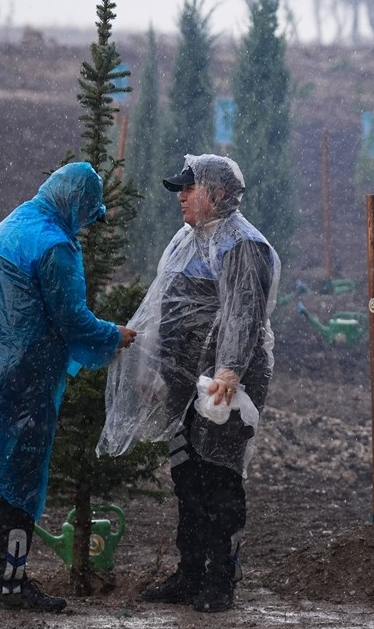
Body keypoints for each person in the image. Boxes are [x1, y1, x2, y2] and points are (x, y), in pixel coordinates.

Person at [0, 161, 136, 613]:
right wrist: (112, 335)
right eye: (87, 213)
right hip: (25, 379)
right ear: (75, 202)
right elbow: (72, 318)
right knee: (19, 482)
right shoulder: (55, 246)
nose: (86, 225)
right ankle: (13, 582)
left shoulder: (14, 224)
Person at [99, 153, 280, 613]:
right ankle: (189, 572)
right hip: (181, 380)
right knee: (187, 474)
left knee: (219, 477)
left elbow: (243, 314)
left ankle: (219, 579)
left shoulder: (243, 245)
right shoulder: (185, 240)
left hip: (223, 384)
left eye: (188, 188)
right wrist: (149, 364)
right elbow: (163, 303)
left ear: (216, 194)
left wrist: (228, 371)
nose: (180, 196)